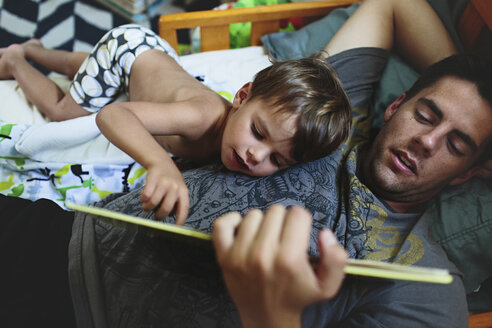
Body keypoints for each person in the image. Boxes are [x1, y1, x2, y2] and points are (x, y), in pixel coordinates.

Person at [1, 0, 491, 327]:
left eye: (458, 144)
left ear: (472, 171)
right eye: (426, 115)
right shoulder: (330, 120)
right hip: (69, 238)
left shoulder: (427, 285)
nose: (427, 141)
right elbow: (392, 4)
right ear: (395, 105)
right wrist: (472, 77)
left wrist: (270, 316)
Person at [0, 25, 352, 224]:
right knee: (67, 111)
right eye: (258, 132)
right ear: (242, 97)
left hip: (145, 56)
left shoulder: (242, 131)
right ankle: (17, 58)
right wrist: (160, 164)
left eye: (278, 161)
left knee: (90, 68)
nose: (255, 155)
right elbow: (113, 115)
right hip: (128, 51)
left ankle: (35, 49)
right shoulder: (202, 116)